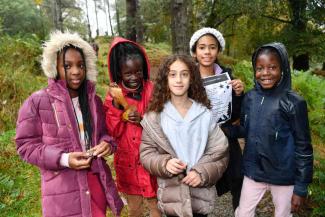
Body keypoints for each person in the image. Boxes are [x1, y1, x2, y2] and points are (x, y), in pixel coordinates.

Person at [15, 31, 123, 217]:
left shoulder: (93, 101)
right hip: (61, 192)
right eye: (67, 65)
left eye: (80, 65)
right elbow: (25, 146)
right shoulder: (37, 102)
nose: (76, 71)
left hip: (95, 183)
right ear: (54, 67)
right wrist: (64, 159)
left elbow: (105, 134)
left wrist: (107, 143)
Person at [140, 54, 229, 217]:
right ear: (165, 79)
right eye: (173, 74)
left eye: (184, 74)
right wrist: (164, 163)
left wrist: (201, 172)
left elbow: (220, 153)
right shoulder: (155, 117)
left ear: (192, 78)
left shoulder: (204, 114)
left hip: (200, 196)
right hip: (172, 197)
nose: (178, 80)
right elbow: (147, 154)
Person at [234, 42, 313, 217]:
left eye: (272, 67)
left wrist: (300, 188)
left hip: (284, 177)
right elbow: (245, 129)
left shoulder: (293, 102)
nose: (266, 73)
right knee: (243, 213)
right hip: (253, 172)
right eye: (260, 68)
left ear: (283, 68)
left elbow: (304, 148)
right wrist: (225, 130)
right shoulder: (250, 98)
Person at [103, 37, 161, 217]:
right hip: (128, 165)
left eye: (138, 72)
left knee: (156, 206)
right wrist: (117, 109)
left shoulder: (152, 90)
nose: (134, 77)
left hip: (150, 162)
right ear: (119, 73)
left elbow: (162, 123)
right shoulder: (112, 97)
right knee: (135, 208)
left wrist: (143, 119)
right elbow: (112, 133)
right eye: (128, 73)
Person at [189, 27, 244, 210]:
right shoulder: (187, 77)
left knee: (238, 177)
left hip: (225, 135)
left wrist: (238, 94)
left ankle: (241, 212)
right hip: (199, 142)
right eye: (202, 47)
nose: (207, 52)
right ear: (195, 52)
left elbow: (235, 114)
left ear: (218, 50)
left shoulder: (226, 76)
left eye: (212, 47)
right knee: (200, 187)